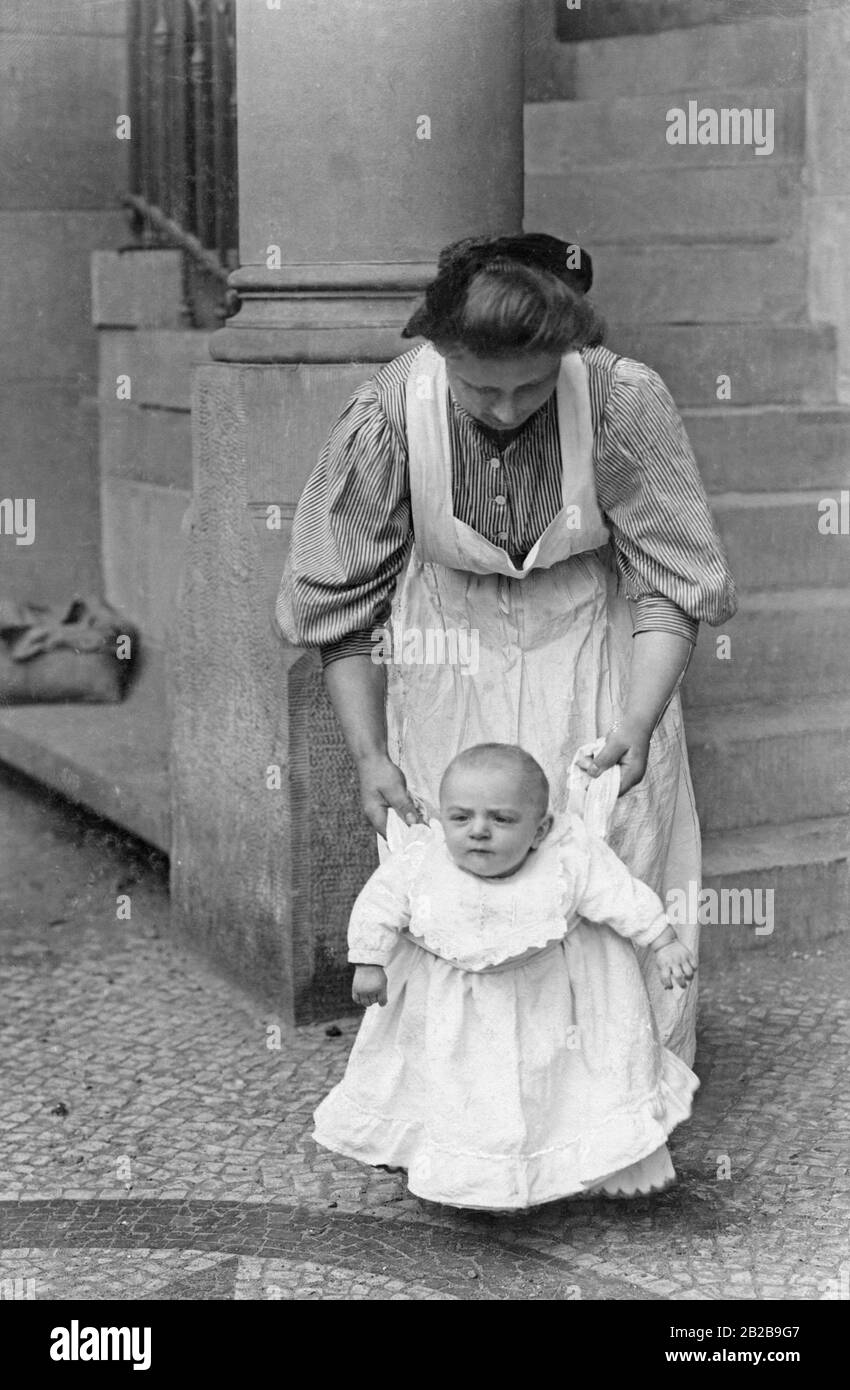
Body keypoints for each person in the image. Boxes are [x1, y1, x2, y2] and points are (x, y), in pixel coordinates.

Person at [276, 233, 737, 1066]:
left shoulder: (620, 398)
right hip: (444, 650)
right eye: (478, 387)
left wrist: (636, 720)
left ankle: (610, 1105)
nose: (504, 408)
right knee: (461, 874)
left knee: (609, 856)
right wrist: (369, 754)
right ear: (437, 349)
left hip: (592, 649)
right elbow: (342, 607)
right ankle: (464, 1118)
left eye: (530, 386)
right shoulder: (387, 413)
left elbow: (670, 583)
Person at [313, 743, 699, 1211]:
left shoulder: (565, 858)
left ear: (538, 830)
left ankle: (556, 1170)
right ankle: (450, 1168)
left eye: (501, 819)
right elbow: (380, 903)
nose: (478, 831)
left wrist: (662, 940)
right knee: (456, 1091)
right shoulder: (422, 861)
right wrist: (369, 961)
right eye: (461, 818)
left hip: (545, 1006)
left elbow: (618, 893)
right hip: (451, 1011)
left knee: (544, 1091)